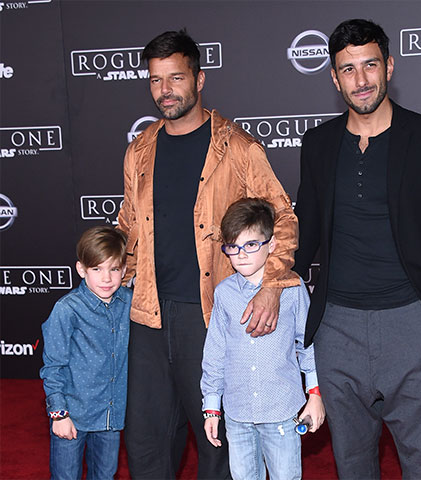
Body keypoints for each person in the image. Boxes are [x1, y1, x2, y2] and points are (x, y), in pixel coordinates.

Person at [117, 30, 299, 479]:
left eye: (176, 78)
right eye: (156, 80)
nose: (165, 90)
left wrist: (273, 285)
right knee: (145, 443)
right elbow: (129, 226)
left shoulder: (238, 149)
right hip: (148, 314)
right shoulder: (139, 151)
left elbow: (283, 219)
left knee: (217, 443)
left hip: (213, 313)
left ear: (199, 79)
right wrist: (107, 275)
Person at [294, 19, 421, 479]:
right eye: (348, 69)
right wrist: (273, 285)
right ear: (335, 78)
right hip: (336, 329)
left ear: (389, 66)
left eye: (370, 65)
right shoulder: (318, 144)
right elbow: (305, 233)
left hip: (411, 321)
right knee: (352, 465)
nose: (361, 80)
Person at [201, 198, 325, 480]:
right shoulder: (223, 293)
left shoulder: (292, 288)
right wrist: (212, 407)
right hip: (237, 414)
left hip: (281, 410)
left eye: (251, 245)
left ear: (271, 245)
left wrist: (315, 394)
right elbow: (215, 353)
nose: (241, 255)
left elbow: (308, 345)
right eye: (233, 247)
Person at [40, 226, 132, 480]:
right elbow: (53, 366)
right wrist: (59, 414)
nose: (106, 278)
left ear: (124, 270)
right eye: (97, 269)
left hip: (110, 416)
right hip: (73, 414)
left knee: (105, 475)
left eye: (114, 269)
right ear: (81, 270)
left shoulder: (130, 303)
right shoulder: (67, 309)